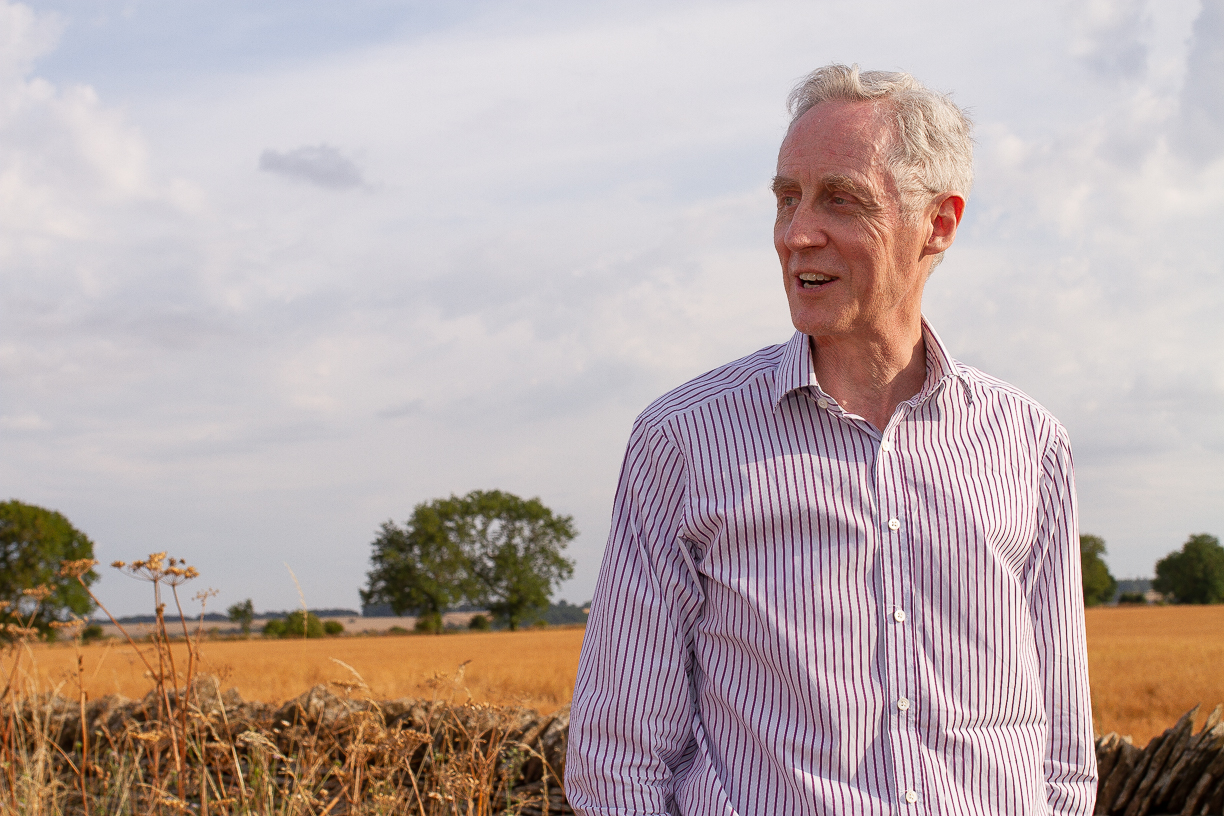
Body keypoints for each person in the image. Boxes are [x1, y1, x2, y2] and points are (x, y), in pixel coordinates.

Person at [565, 65, 1096, 815]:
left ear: (939, 224)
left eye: (839, 200)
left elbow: (1063, 757)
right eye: (787, 200)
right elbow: (618, 758)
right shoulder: (681, 441)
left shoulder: (1028, 443)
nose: (796, 234)